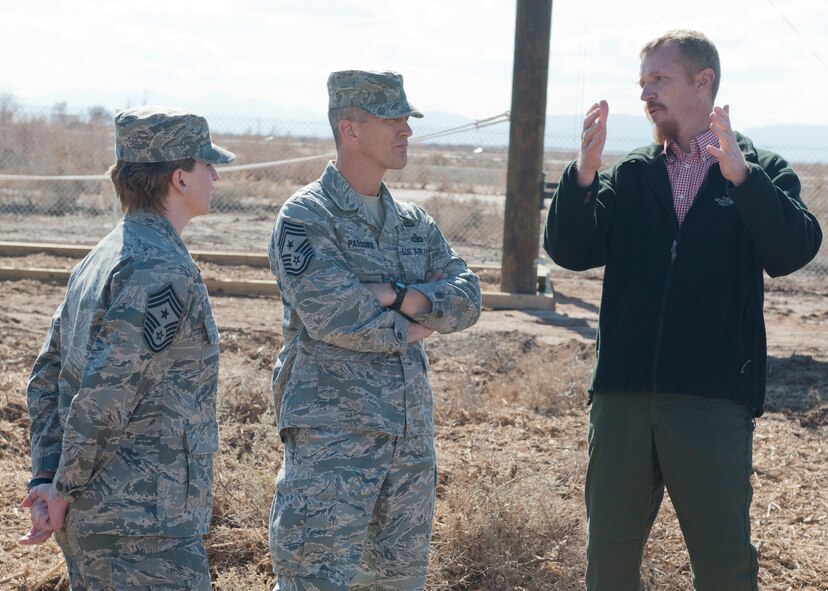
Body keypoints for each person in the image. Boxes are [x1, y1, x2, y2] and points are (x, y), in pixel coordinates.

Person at [544, 30, 822, 591]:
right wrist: (583, 175)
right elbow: (570, 252)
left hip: (712, 399)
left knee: (723, 564)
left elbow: (792, 251)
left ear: (704, 82)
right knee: (609, 561)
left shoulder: (759, 167)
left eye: (659, 79)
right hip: (622, 398)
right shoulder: (631, 173)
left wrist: (743, 180)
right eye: (642, 82)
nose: (646, 93)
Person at [267, 70, 481, 591]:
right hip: (334, 447)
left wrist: (397, 295)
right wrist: (422, 318)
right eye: (393, 118)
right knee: (317, 582)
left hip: (408, 447)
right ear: (351, 128)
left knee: (395, 584)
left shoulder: (413, 221)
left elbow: (469, 299)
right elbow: (339, 317)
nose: (406, 128)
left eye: (407, 118)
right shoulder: (307, 217)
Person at [20, 106, 235, 590]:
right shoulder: (158, 267)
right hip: (142, 529)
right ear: (179, 178)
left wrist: (49, 478)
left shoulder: (105, 255)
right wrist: (60, 487)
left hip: (108, 518)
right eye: (207, 165)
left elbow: (48, 376)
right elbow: (104, 397)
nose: (216, 175)